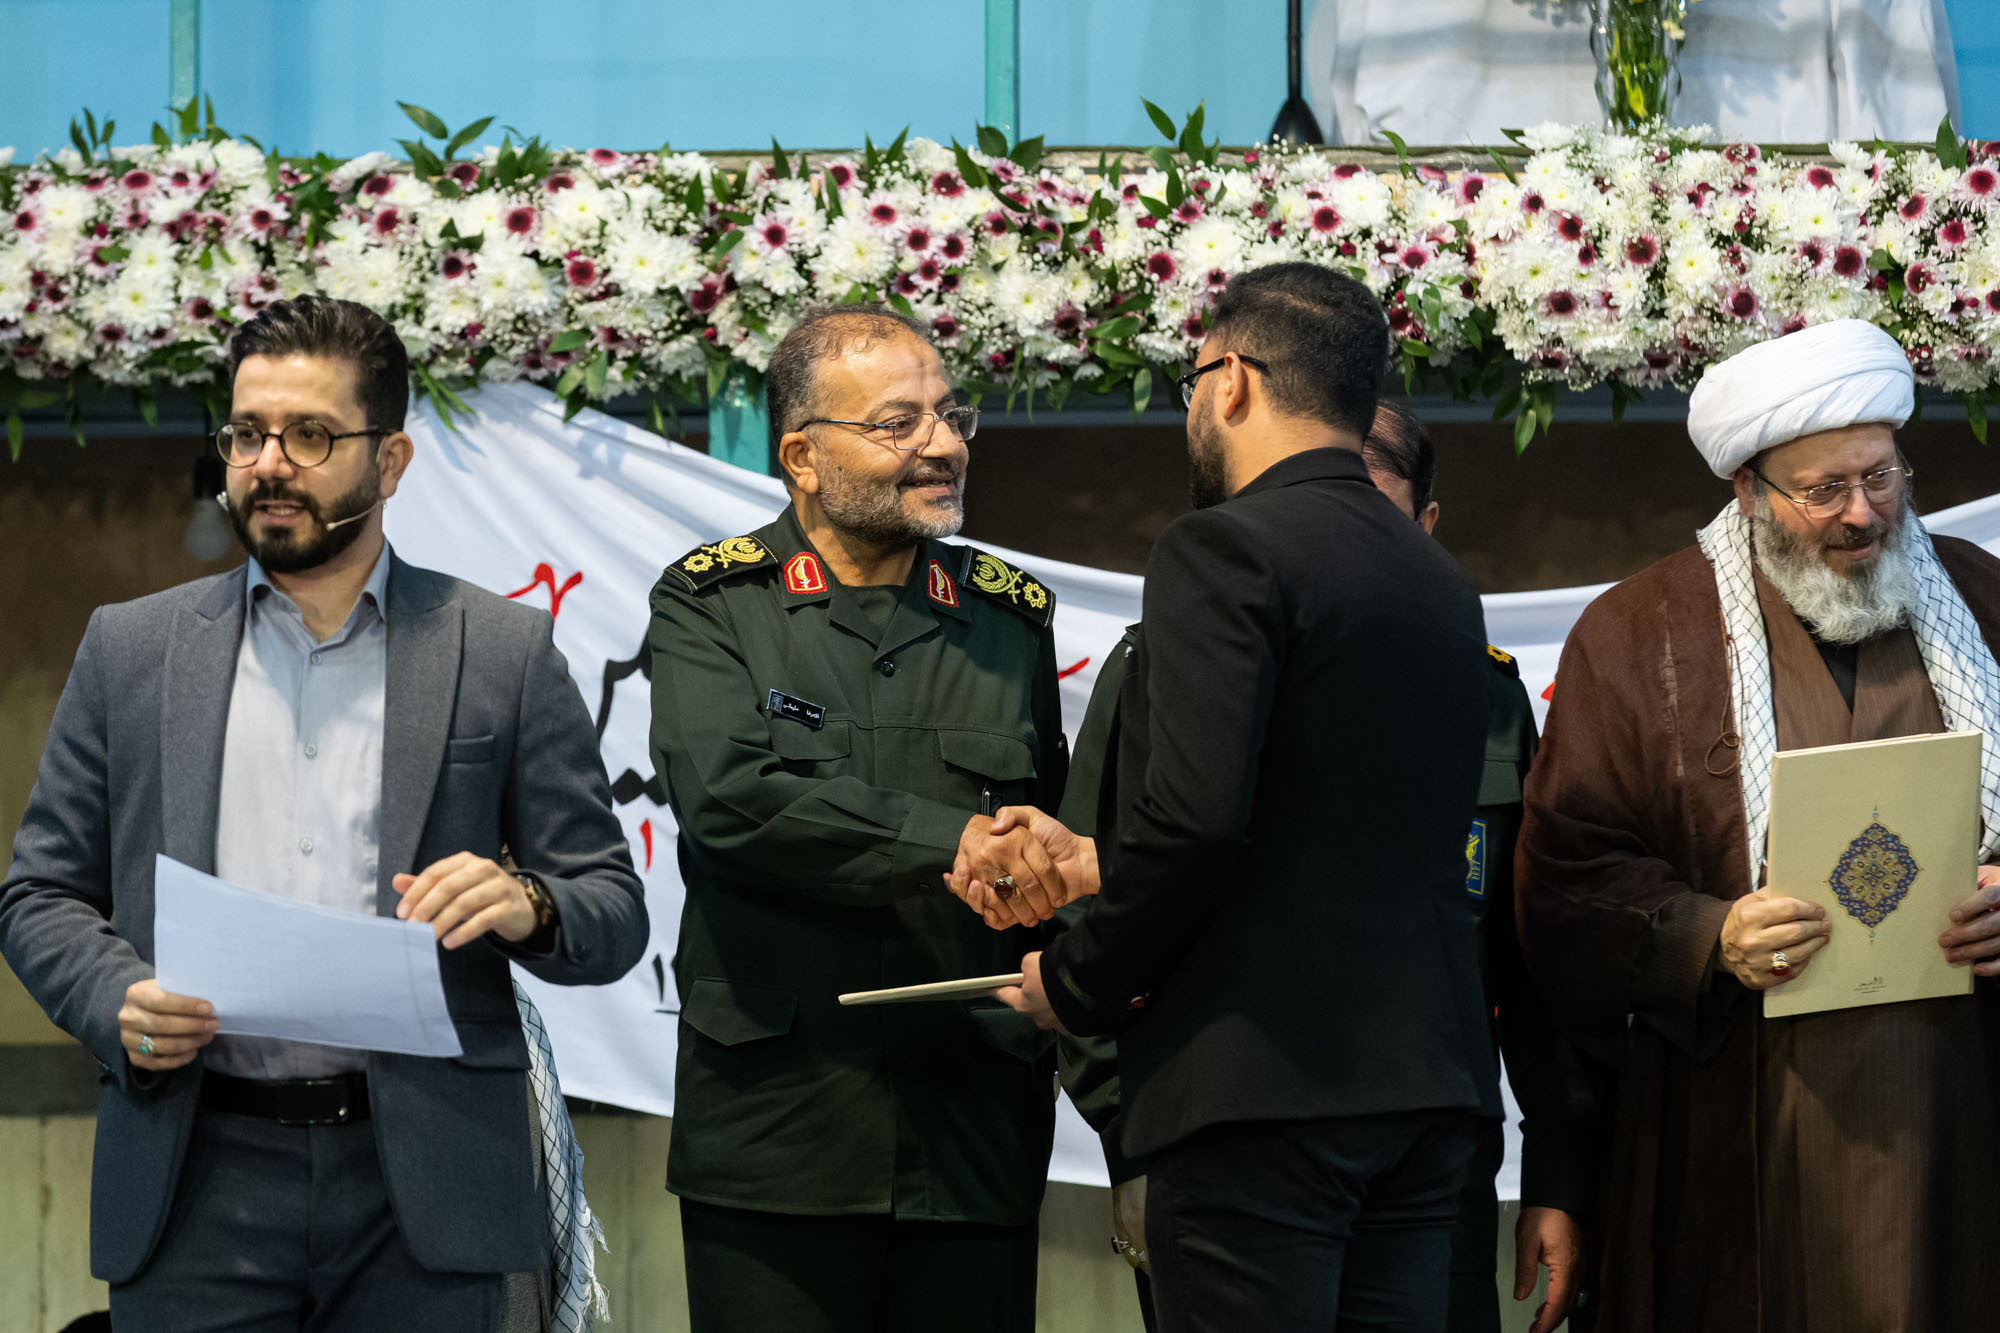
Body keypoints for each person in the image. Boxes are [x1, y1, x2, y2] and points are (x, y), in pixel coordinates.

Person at [0, 294, 650, 1330]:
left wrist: (526, 901)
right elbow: (38, 893)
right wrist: (115, 998)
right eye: (247, 434)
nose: (269, 464)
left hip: (425, 1184)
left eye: (309, 435)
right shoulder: (131, 650)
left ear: (389, 462)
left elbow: (610, 908)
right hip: (193, 1171)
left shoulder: (499, 651)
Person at [972, 263, 1501, 1332]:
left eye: (1189, 384)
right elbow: (1324, 823)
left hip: (1261, 1088)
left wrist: (1077, 976)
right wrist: (1100, 858)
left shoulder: (1222, 546)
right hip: (1426, 1086)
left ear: (1231, 380)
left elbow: (1197, 824)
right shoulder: (1438, 579)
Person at [1516, 317, 2000, 1332]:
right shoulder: (1638, 633)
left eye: (1880, 476)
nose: (1861, 513)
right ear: (1747, 488)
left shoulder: (1983, 599)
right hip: (1741, 1111)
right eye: (1823, 490)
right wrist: (1707, 935)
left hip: (1960, 1097)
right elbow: (1566, 873)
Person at [647, 305, 1071, 1333]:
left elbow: (1050, 838)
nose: (943, 443)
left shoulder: (1009, 620)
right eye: (897, 423)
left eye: (951, 414)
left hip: (972, 1129)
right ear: (802, 455)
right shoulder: (713, 603)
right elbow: (730, 799)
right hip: (776, 1128)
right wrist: (948, 841)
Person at [1364, 403, 1605, 1333]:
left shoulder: (1492, 699)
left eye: (1374, 511)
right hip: (1251, 1171)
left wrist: (1556, 1174)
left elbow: (1529, 962)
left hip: (1440, 1172)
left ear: (1426, 525)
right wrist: (1133, 1148)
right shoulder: (1200, 672)